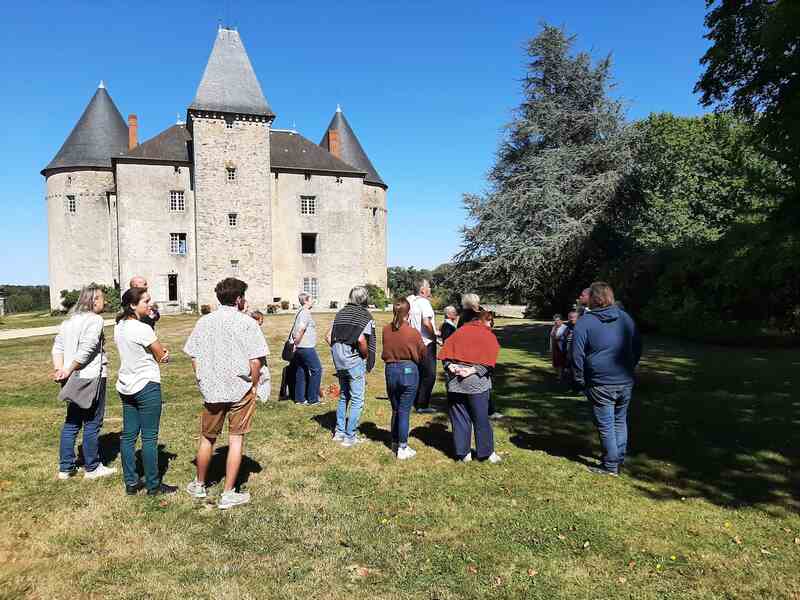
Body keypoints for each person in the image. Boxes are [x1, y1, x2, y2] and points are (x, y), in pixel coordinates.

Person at [184, 278, 269, 509]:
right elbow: (256, 360)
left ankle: (200, 484)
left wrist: (201, 376)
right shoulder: (248, 323)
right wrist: (253, 383)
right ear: (239, 299)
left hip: (213, 388)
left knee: (207, 437)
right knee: (236, 439)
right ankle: (229, 492)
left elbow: (193, 354)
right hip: (240, 387)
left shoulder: (205, 322)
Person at [572, 282, 642, 476]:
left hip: (600, 381)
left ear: (593, 299)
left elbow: (576, 355)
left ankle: (611, 465)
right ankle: (618, 457)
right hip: (624, 379)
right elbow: (638, 346)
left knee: (606, 424)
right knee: (620, 420)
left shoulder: (586, 321)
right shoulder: (625, 318)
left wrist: (578, 379)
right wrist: (630, 366)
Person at [52, 285, 116, 480]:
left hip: (71, 377)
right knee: (92, 423)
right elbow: (87, 350)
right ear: (93, 300)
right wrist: (68, 369)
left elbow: (57, 347)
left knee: (71, 422)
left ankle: (66, 467)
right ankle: (92, 467)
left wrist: (60, 369)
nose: (104, 302)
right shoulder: (95, 320)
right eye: (102, 299)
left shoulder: (69, 321)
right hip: (90, 376)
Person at [115, 287, 175, 495]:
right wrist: (165, 355)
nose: (150, 304)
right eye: (145, 301)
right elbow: (161, 355)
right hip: (146, 385)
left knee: (129, 436)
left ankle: (131, 482)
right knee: (149, 437)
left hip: (126, 385)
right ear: (133, 305)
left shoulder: (119, 326)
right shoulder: (142, 329)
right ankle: (153, 484)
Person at [439, 307, 502, 463]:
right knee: (481, 418)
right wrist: (473, 369)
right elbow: (489, 362)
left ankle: (463, 453)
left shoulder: (457, 332)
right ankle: (486, 453)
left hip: (455, 383)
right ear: (481, 320)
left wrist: (451, 367)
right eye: (489, 322)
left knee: (459, 418)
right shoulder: (487, 336)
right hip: (477, 384)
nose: (490, 325)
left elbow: (445, 354)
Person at [326, 286, 376, 447]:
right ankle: (350, 436)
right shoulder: (365, 316)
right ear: (364, 299)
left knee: (344, 396)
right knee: (357, 399)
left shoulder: (340, 313)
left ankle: (339, 432)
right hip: (354, 361)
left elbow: (328, 336)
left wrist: (338, 350)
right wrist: (366, 356)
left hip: (339, 360)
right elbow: (361, 340)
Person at [381, 298, 427, 460]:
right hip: (408, 370)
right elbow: (422, 353)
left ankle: (394, 442)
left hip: (390, 369)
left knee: (395, 409)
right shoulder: (413, 332)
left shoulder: (386, 330)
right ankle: (402, 447)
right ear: (408, 313)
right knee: (404, 410)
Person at [406, 279, 438, 414]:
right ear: (423, 290)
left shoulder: (411, 302)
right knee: (429, 375)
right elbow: (426, 322)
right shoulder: (424, 302)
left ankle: (413, 400)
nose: (430, 289)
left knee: (417, 372)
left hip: (414, 342)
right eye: (429, 287)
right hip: (426, 342)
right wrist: (434, 336)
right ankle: (422, 404)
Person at [289, 292, 323, 406]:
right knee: (317, 369)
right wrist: (296, 343)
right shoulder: (305, 312)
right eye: (312, 299)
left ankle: (300, 399)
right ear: (306, 301)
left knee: (301, 370)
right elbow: (301, 329)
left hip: (301, 346)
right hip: (305, 346)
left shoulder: (299, 311)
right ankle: (313, 399)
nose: (313, 300)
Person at [250, 311, 271, 403]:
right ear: (258, 320)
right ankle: (262, 398)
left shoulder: (248, 328)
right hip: (259, 356)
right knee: (264, 376)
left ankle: (255, 396)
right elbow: (260, 346)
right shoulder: (256, 329)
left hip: (251, 357)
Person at [560, 310, 579, 386]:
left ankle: (578, 384)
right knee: (569, 368)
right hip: (568, 351)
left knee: (577, 368)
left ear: (577, 318)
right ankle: (571, 383)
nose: (571, 319)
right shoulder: (567, 327)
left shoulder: (580, 327)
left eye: (573, 317)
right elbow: (563, 338)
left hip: (577, 351)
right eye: (570, 318)